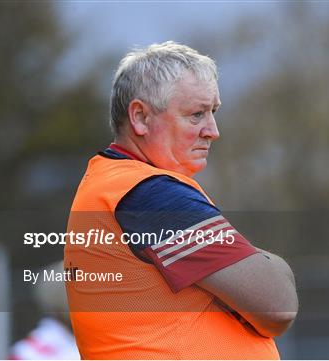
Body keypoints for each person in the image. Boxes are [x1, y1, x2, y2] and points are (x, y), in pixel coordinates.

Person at [64, 41, 298, 359]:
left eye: (213, 112)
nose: (212, 130)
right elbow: (278, 304)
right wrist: (267, 262)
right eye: (196, 114)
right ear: (141, 117)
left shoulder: (120, 185)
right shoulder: (148, 195)